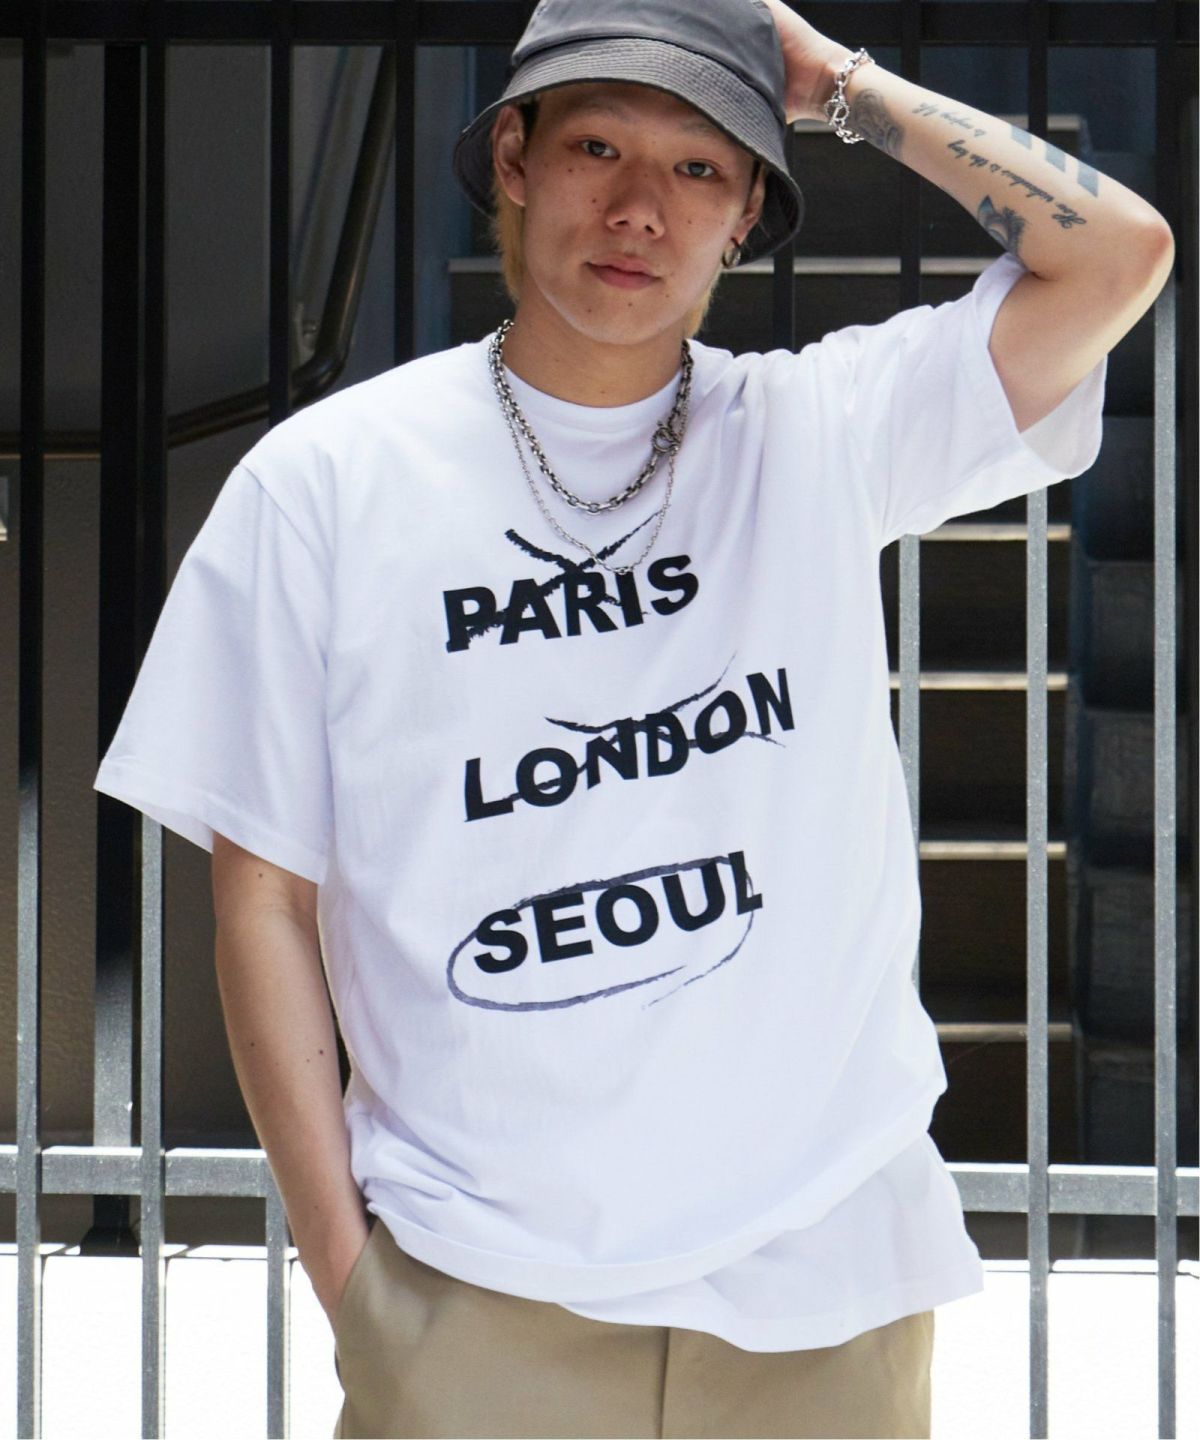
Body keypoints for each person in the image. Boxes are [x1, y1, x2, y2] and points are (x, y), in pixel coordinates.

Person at [93, 0, 1173, 1435]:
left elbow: (1118, 253)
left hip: (827, 1295)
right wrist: (356, 1287)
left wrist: (842, 87)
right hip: (479, 1298)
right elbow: (264, 898)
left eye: (700, 167)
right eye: (598, 146)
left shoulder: (817, 431)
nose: (640, 208)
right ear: (514, 159)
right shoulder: (329, 482)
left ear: (745, 219)